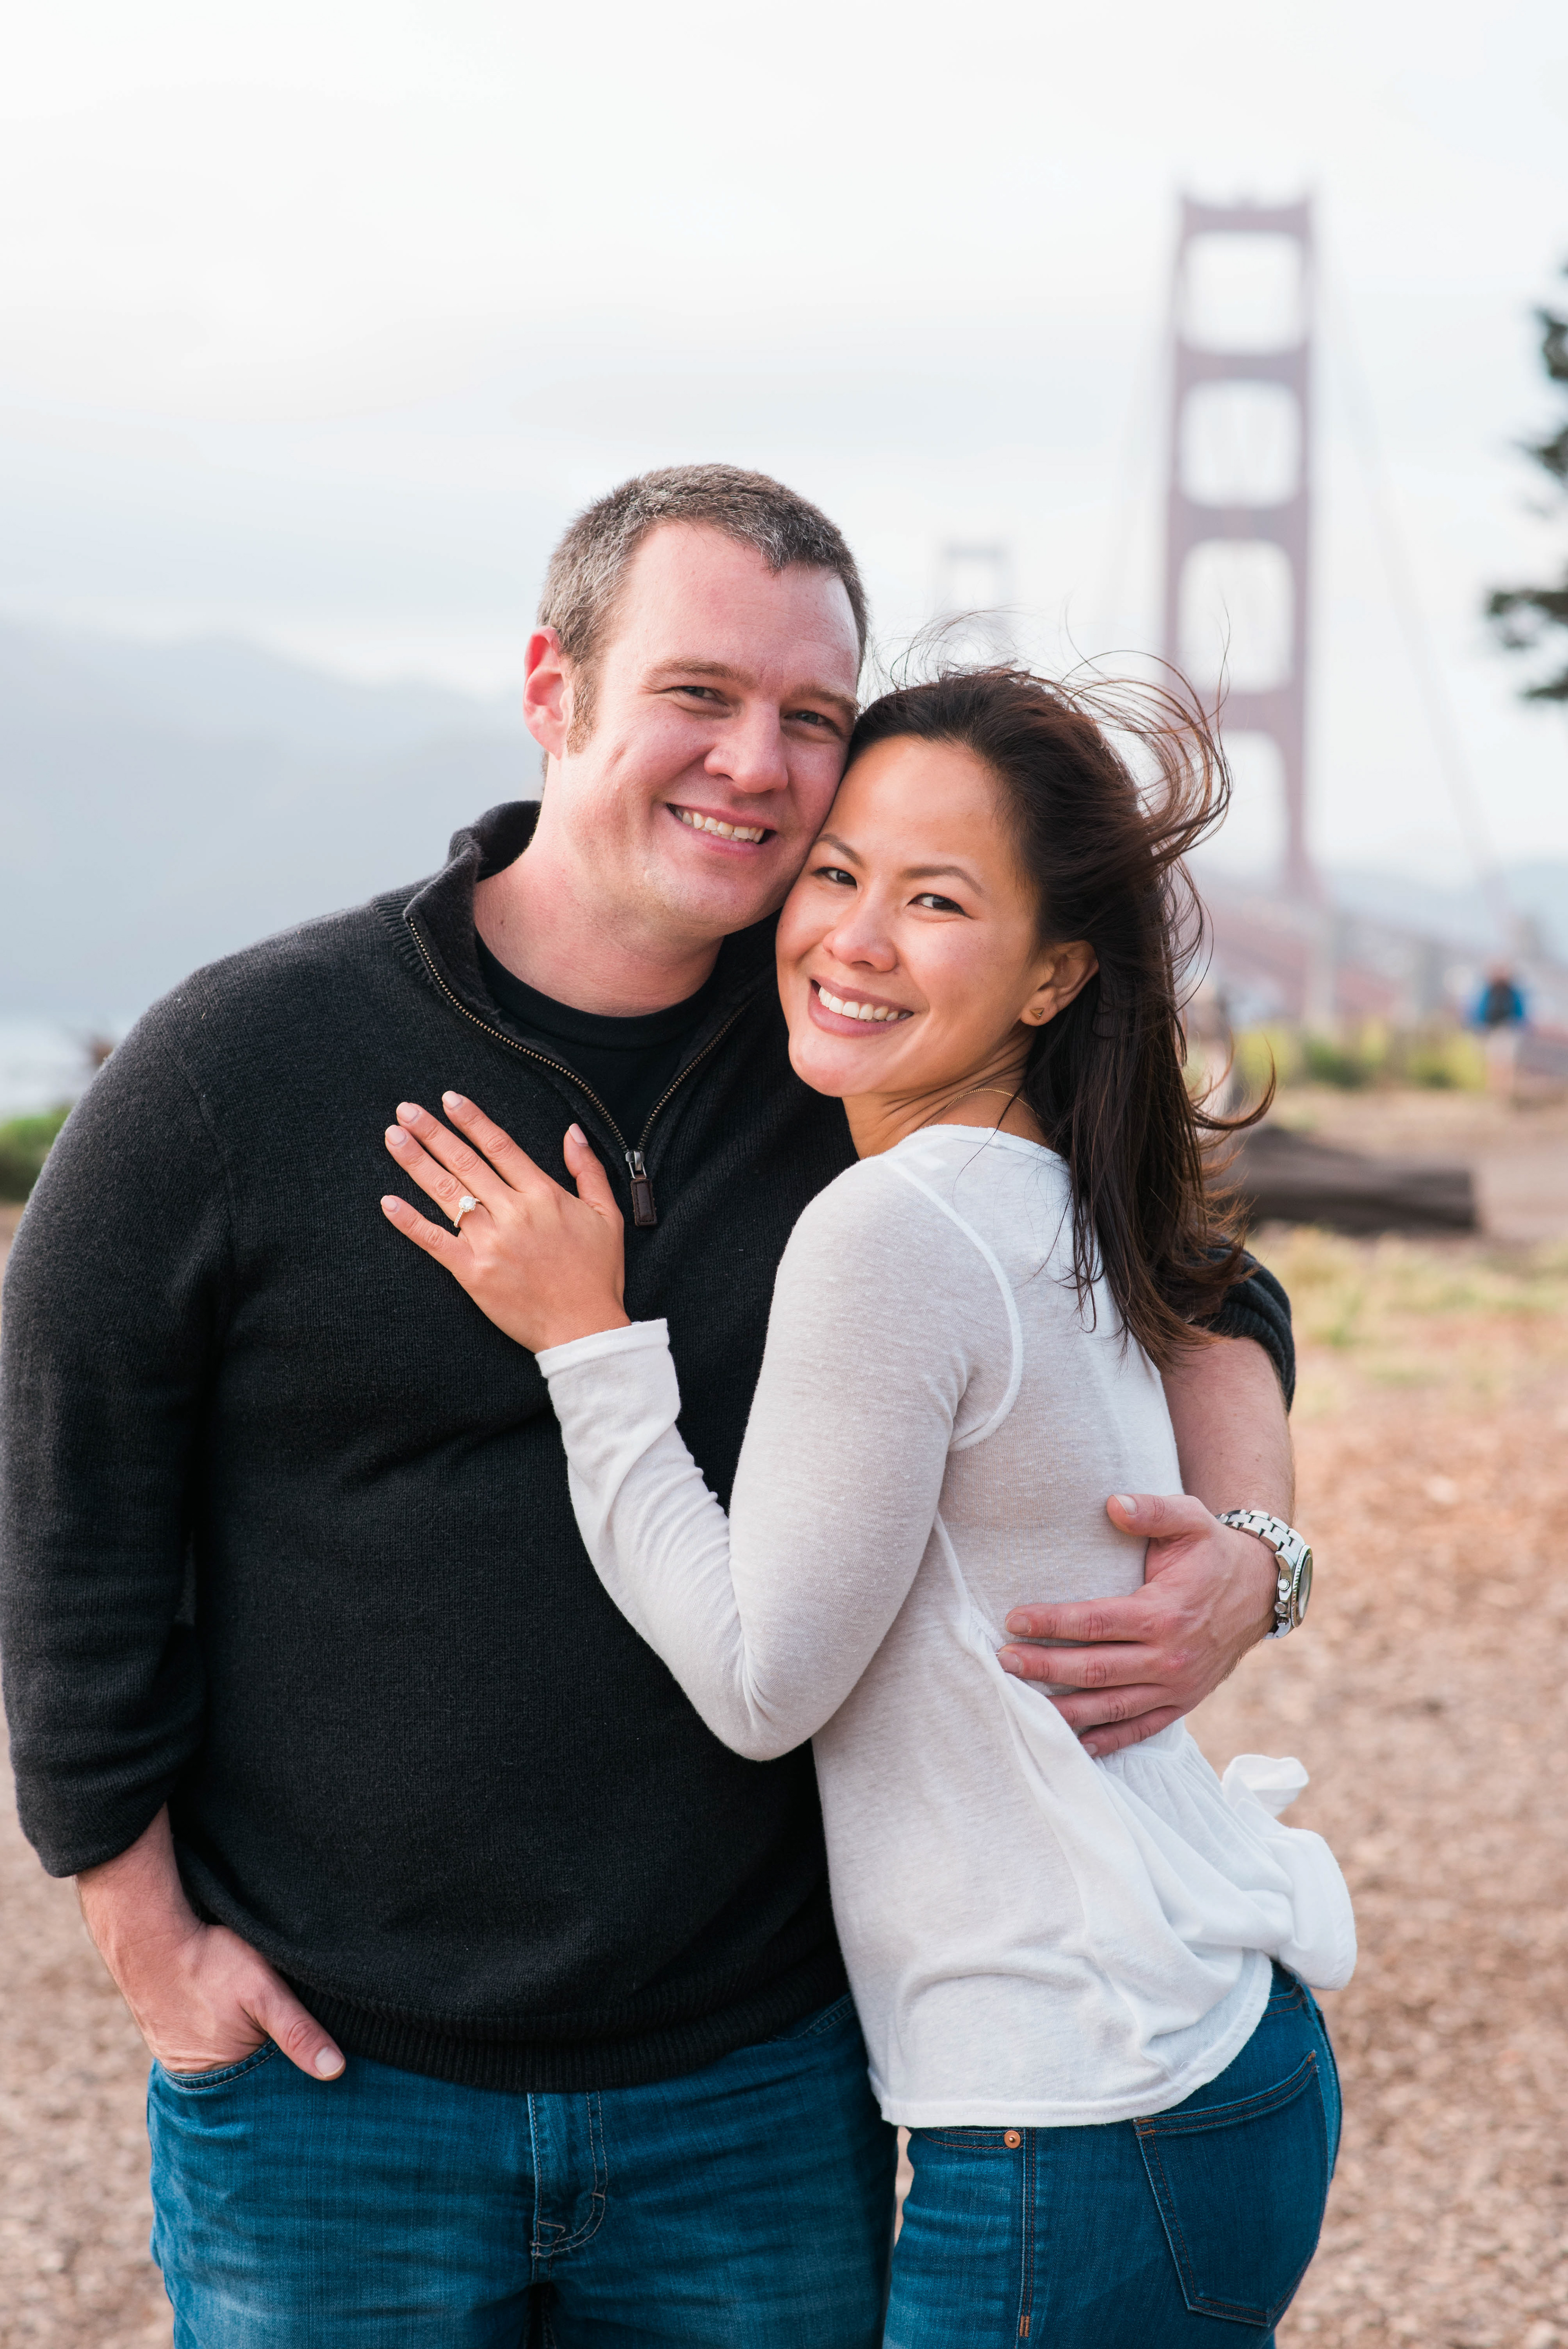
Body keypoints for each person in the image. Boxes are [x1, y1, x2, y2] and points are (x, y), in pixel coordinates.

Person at [0, 468, 1298, 2345]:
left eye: (812, 718)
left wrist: (1252, 1552)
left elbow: (1193, 1275)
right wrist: (148, 1941)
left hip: (754, 2084)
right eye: (699, 693)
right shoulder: (239, 1064)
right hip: (333, 2087)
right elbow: (65, 1508)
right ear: (554, 689)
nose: (756, 765)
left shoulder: (853, 1043)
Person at [380, 664, 1350, 2346]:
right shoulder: (1063, 1185)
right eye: (837, 873)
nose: (855, 937)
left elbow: (765, 1688)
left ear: (1055, 973)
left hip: (1077, 2100)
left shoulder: (893, 1225)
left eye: (938, 901)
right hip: (1196, 2056)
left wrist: (589, 1346)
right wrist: (1268, 1553)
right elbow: (1220, 1288)